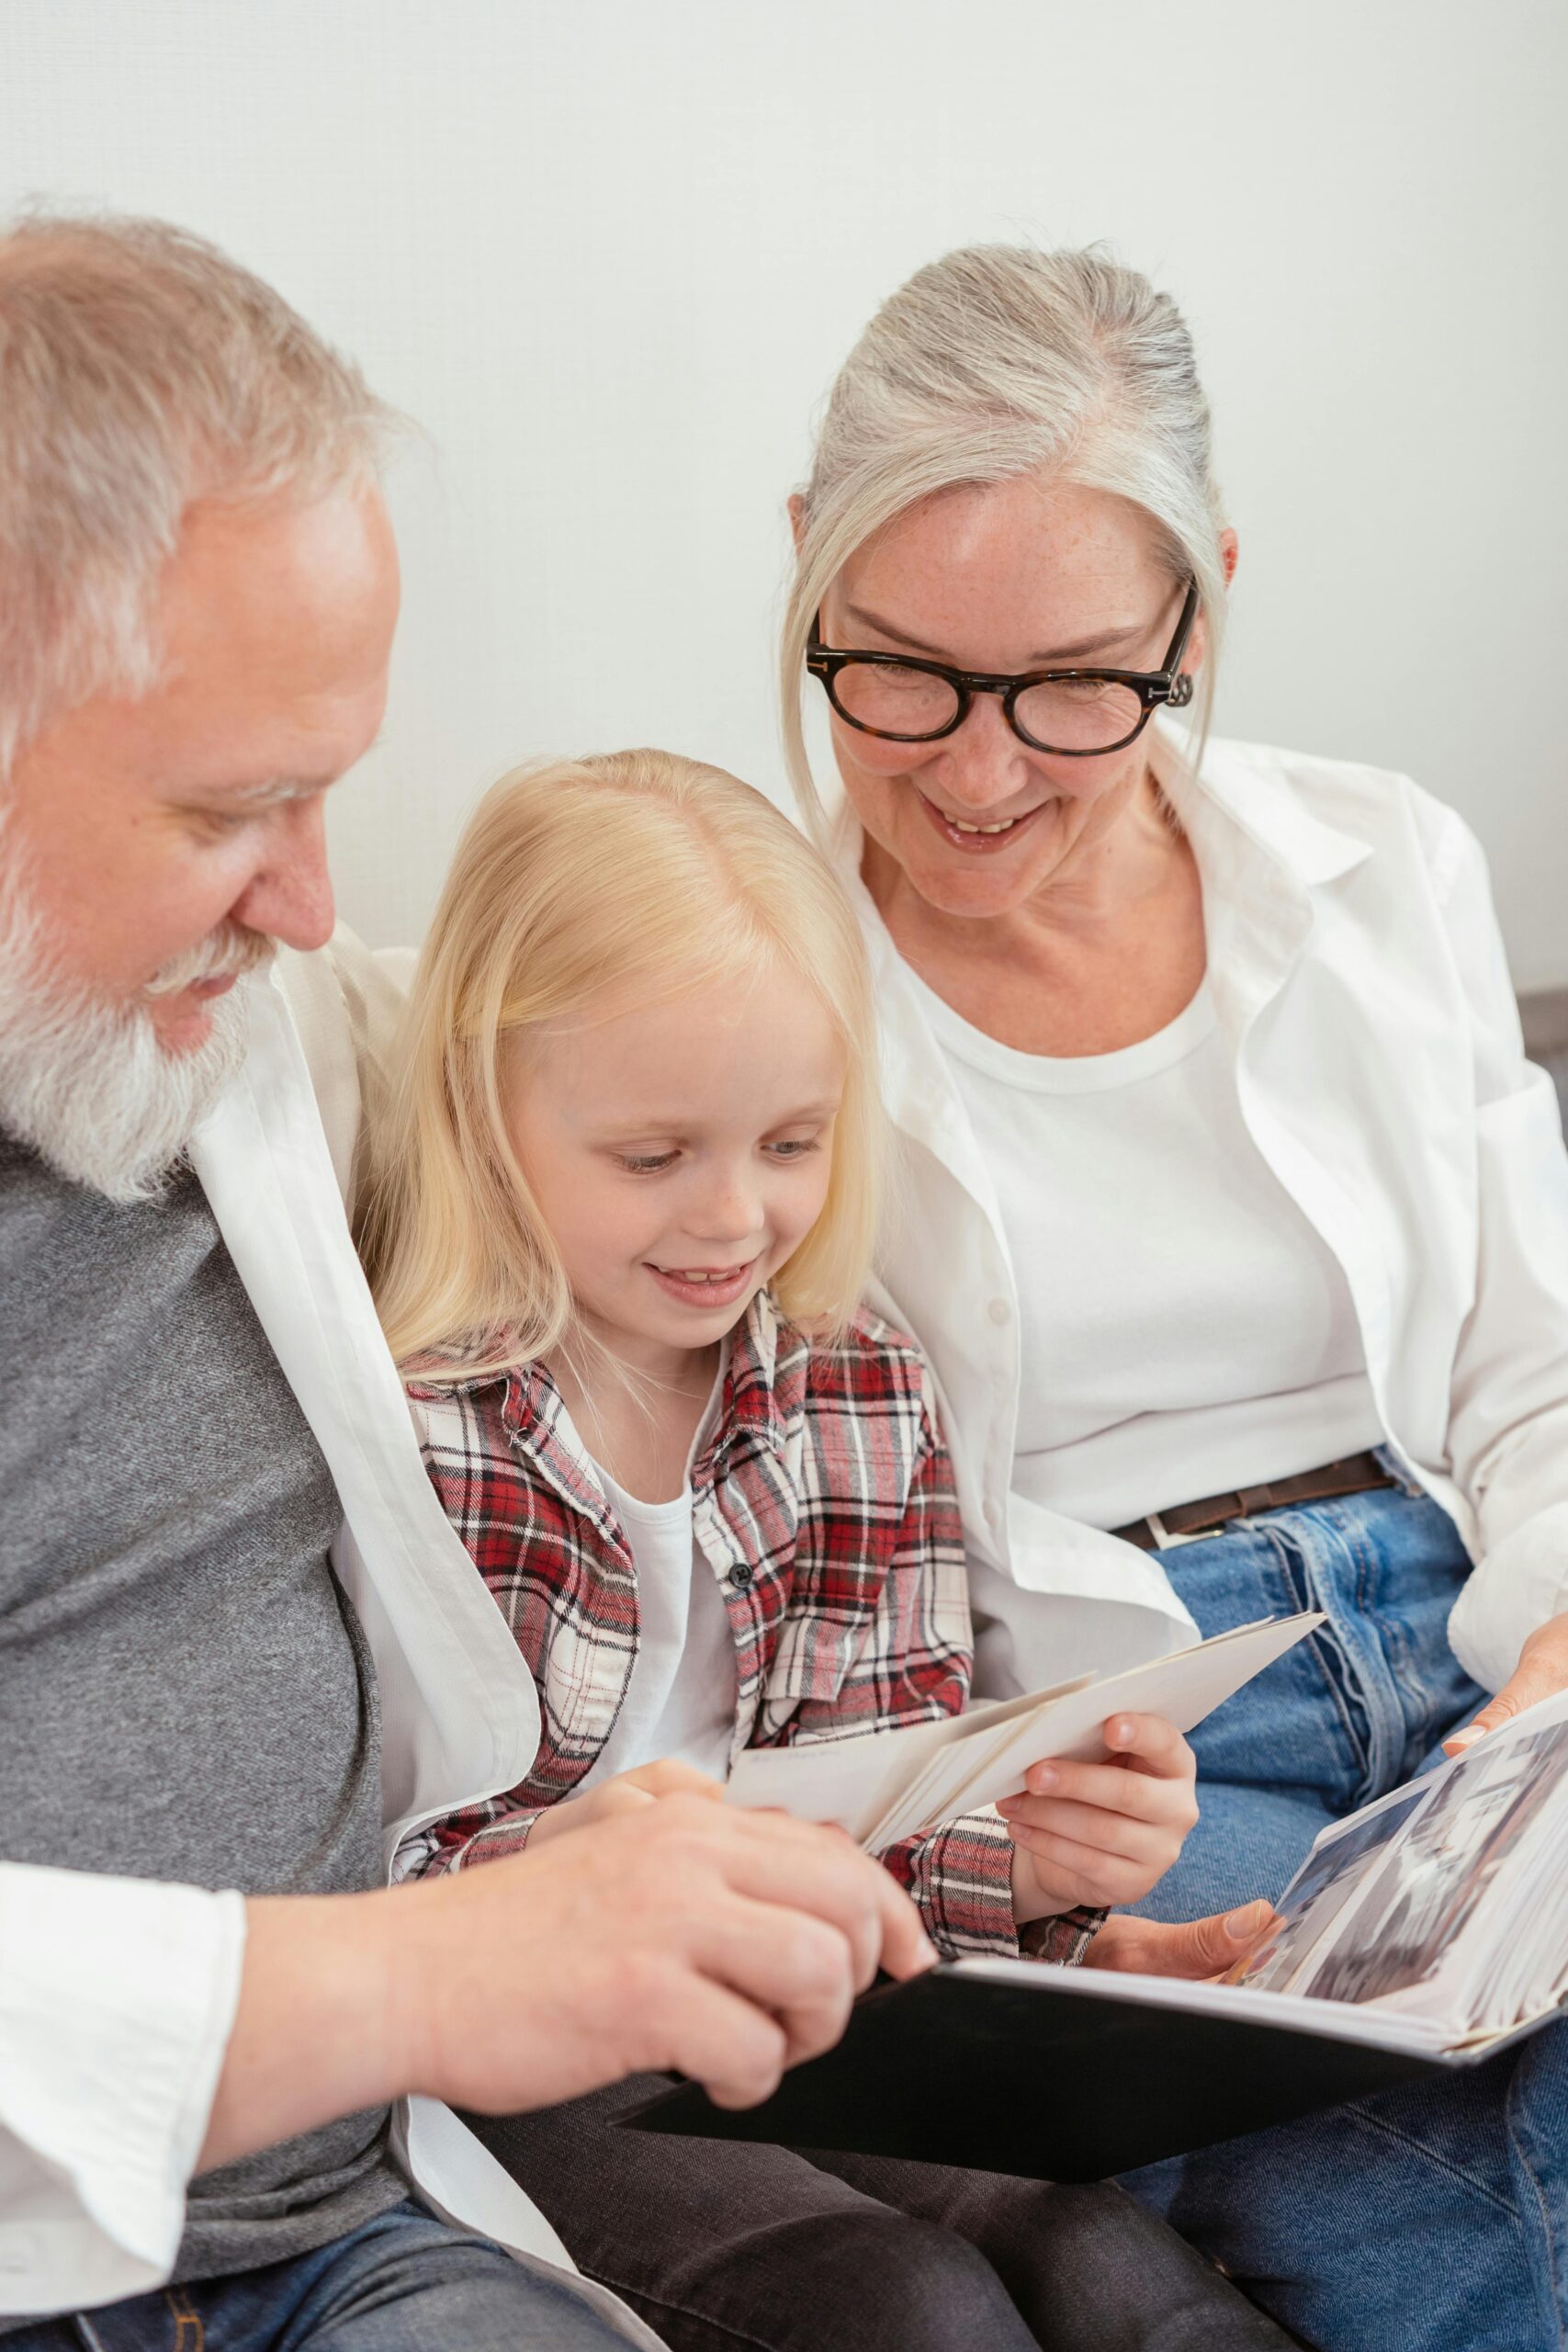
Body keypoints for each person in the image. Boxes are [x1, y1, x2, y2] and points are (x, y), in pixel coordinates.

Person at [0, 212, 1284, 2350]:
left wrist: (1024, 1893)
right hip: (212, 2182)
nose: (320, 906)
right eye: (242, 804)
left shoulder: (203, 1040)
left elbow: (583, 1007)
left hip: (353, 2217)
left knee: (1116, 2263)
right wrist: (453, 1964)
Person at [779, 240, 1568, 2349]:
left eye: (1071, 684)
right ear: (801, 577)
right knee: (1406, 2174)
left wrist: (1553, 1664)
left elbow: (1529, 1366)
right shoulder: (738, 993)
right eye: (897, 672)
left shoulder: (1379, 861)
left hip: (1475, 1613)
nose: (970, 772)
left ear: (1198, 606)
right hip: (1128, 1722)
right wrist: (995, 1823)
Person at [353, 744, 1266, 2352]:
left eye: (792, 1143)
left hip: (801, 2004)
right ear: (484, 1110)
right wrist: (562, 1889)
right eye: (654, 1157)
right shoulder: (405, 1416)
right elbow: (335, 1872)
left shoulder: (848, 1379)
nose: (733, 1220)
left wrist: (1033, 1868)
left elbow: (873, 1788)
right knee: (891, 2299)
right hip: (520, 2043)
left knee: (1105, 2262)